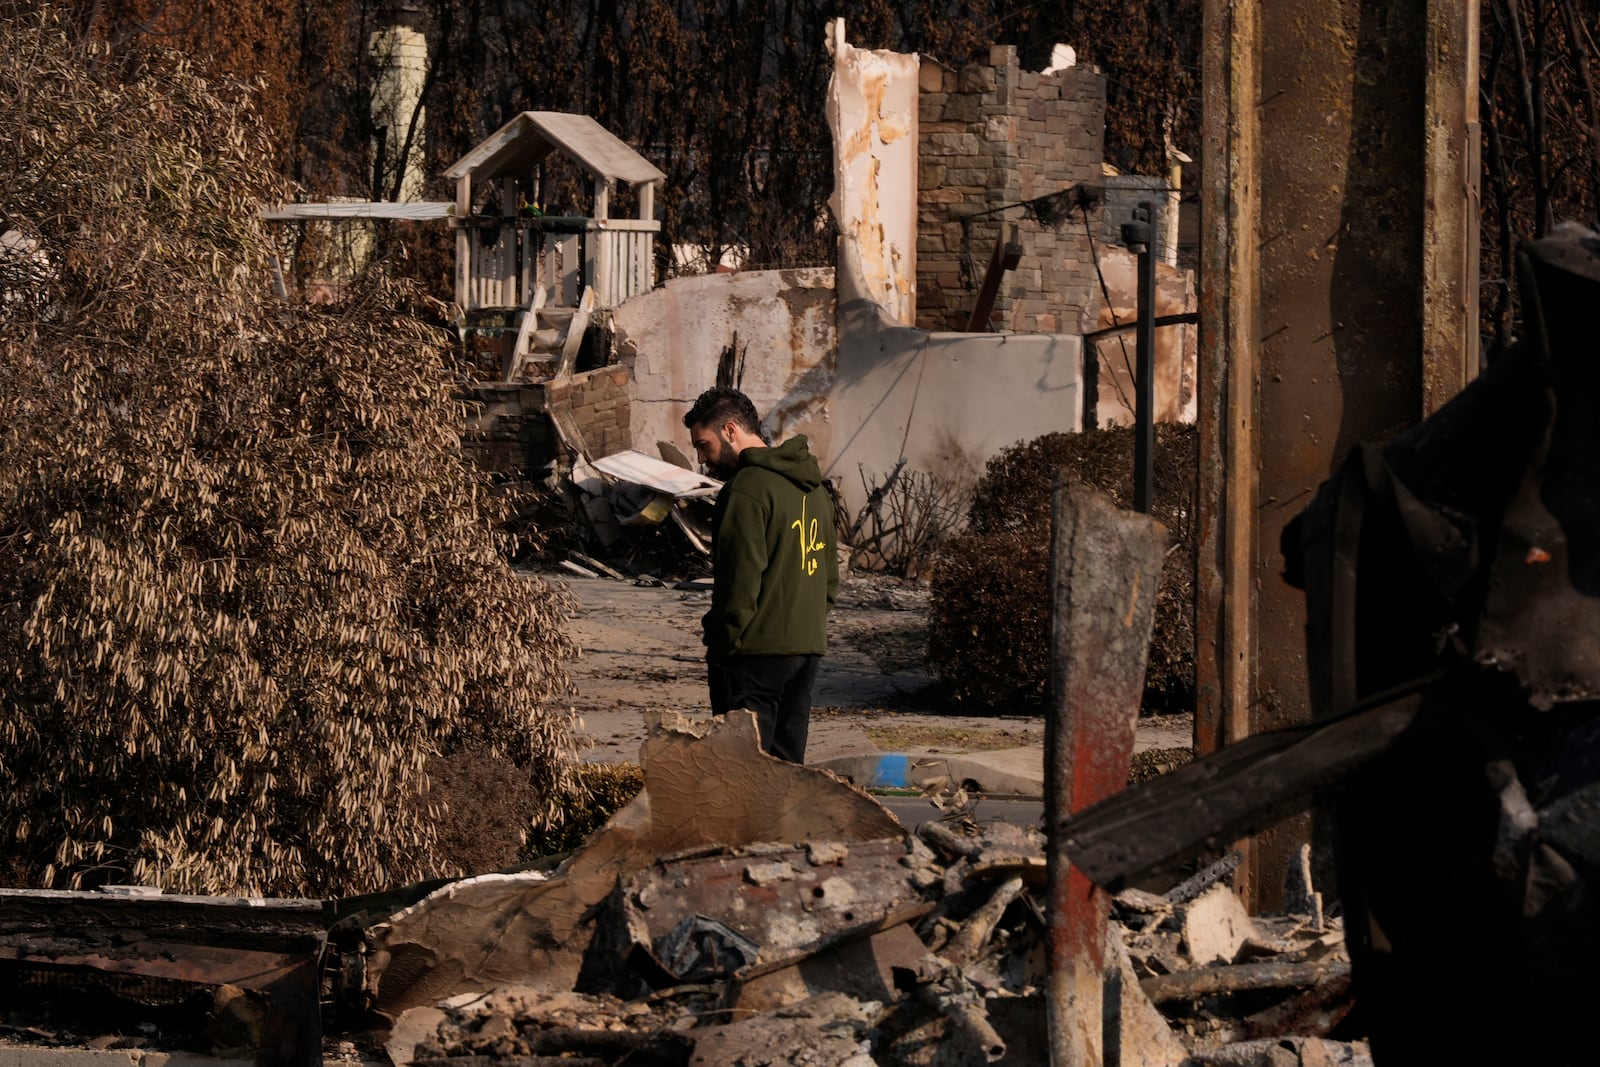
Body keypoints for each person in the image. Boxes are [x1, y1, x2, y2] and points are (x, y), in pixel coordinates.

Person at [682, 387, 838, 763]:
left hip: (753, 655)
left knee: (745, 774)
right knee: (786, 772)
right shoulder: (815, 489)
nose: (702, 459)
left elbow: (740, 583)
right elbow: (830, 580)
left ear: (731, 430)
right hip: (807, 649)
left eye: (704, 445)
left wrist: (722, 644)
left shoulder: (746, 490)